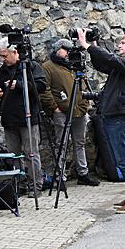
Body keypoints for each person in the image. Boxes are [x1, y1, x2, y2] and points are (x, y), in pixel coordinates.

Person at [77, 30, 125, 214]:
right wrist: (93, 49)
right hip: (113, 114)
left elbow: (111, 60)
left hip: (120, 115)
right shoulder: (123, 67)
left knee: (123, 158)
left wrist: (88, 46)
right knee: (121, 157)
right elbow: (103, 64)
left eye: (123, 42)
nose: (119, 45)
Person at [40, 39, 99, 186]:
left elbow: (83, 86)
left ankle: (83, 173)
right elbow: (44, 89)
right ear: (57, 49)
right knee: (61, 144)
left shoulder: (74, 66)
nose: (67, 52)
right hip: (62, 111)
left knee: (79, 143)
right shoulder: (48, 67)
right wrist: (55, 107)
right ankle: (60, 176)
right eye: (65, 49)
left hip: (79, 110)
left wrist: (85, 104)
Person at [0, 38, 47, 197]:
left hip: (28, 116)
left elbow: (41, 86)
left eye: (5, 56)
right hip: (9, 117)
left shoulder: (31, 66)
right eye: (1, 56)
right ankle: (17, 185)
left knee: (31, 153)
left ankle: (35, 185)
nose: (3, 59)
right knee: (13, 155)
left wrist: (20, 84)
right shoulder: (3, 69)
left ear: (15, 52)